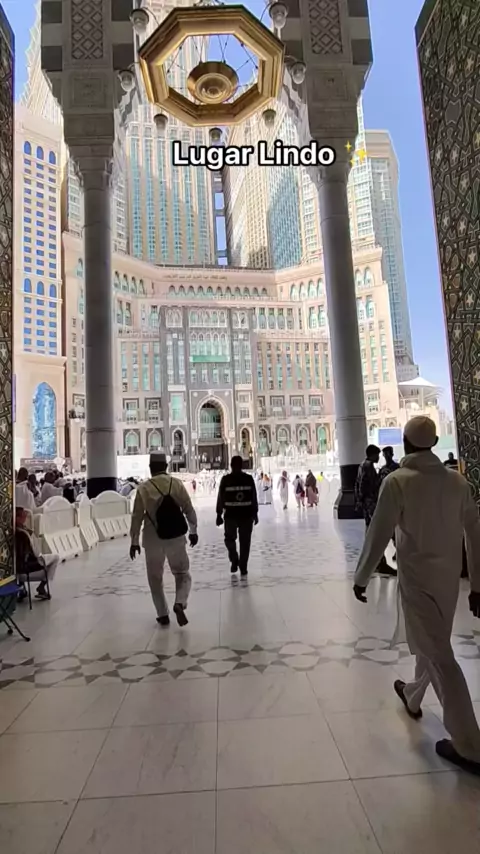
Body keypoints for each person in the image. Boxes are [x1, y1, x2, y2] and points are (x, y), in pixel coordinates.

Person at [353, 415, 480, 775]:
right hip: (447, 582)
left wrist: (362, 576)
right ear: (434, 443)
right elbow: (474, 534)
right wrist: (477, 585)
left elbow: (378, 533)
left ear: (406, 444)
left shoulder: (397, 482)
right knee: (433, 642)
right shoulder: (458, 482)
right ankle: (412, 695)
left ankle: (470, 746)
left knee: (439, 655)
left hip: (418, 581)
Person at [129, 452, 198, 626]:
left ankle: (162, 614)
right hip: (175, 537)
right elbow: (189, 509)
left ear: (151, 468)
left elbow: (136, 517)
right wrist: (193, 531)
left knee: (155, 578)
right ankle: (179, 602)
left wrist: (134, 542)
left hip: (152, 539)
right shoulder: (176, 484)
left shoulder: (144, 488)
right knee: (182, 574)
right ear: (166, 467)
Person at [355, 445, 396, 576]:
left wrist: (359, 501)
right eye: (378, 455)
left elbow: (358, 484)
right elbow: (364, 485)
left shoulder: (362, 465)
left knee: (371, 532)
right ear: (372, 454)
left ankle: (378, 563)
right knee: (378, 532)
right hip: (370, 504)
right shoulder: (368, 466)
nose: (379, 457)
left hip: (367, 504)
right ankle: (380, 563)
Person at [216, 455, 258, 576]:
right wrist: (255, 513)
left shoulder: (226, 480)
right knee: (245, 542)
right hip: (246, 516)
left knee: (229, 539)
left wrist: (219, 514)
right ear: (242, 465)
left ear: (231, 466)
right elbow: (254, 498)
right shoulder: (248, 479)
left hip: (231, 515)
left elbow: (220, 498)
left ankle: (234, 558)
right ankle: (243, 566)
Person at [15, 507, 59, 600]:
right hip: (27, 568)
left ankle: (23, 588)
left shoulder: (15, 531)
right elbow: (35, 553)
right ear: (17, 518)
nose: (25, 519)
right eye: (23, 517)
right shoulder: (23, 534)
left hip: (18, 569)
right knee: (55, 558)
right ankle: (42, 586)